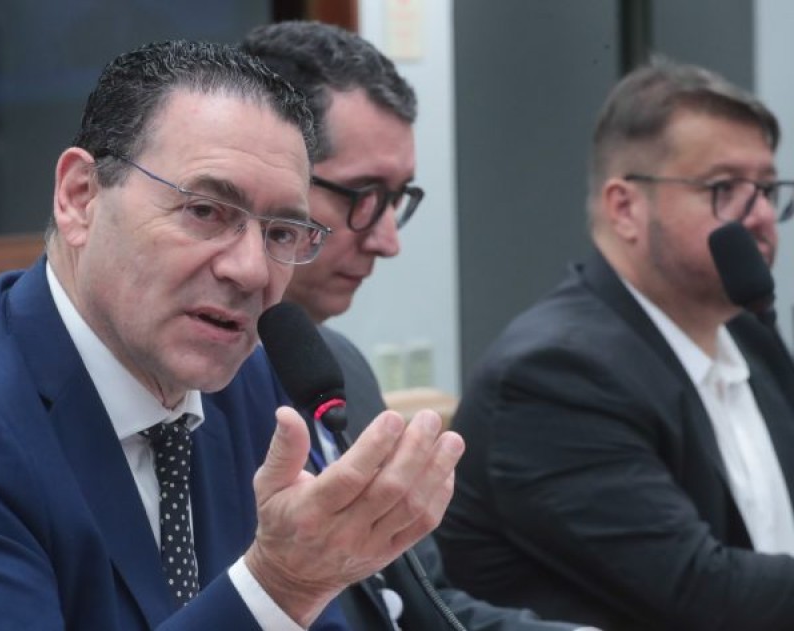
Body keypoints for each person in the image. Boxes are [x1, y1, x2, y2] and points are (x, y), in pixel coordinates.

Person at [0, 40, 464, 629]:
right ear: (79, 197)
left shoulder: (251, 380)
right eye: (205, 210)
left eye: (282, 232)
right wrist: (280, 585)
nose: (251, 270)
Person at [242, 20, 594, 631]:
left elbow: (423, 607)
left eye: (397, 198)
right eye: (362, 195)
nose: (388, 241)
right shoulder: (187, 396)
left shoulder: (339, 366)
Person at [434, 57, 794, 631]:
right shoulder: (555, 373)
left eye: (768, 189)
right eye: (724, 189)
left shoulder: (750, 334)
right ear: (625, 208)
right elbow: (703, 595)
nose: (761, 218)